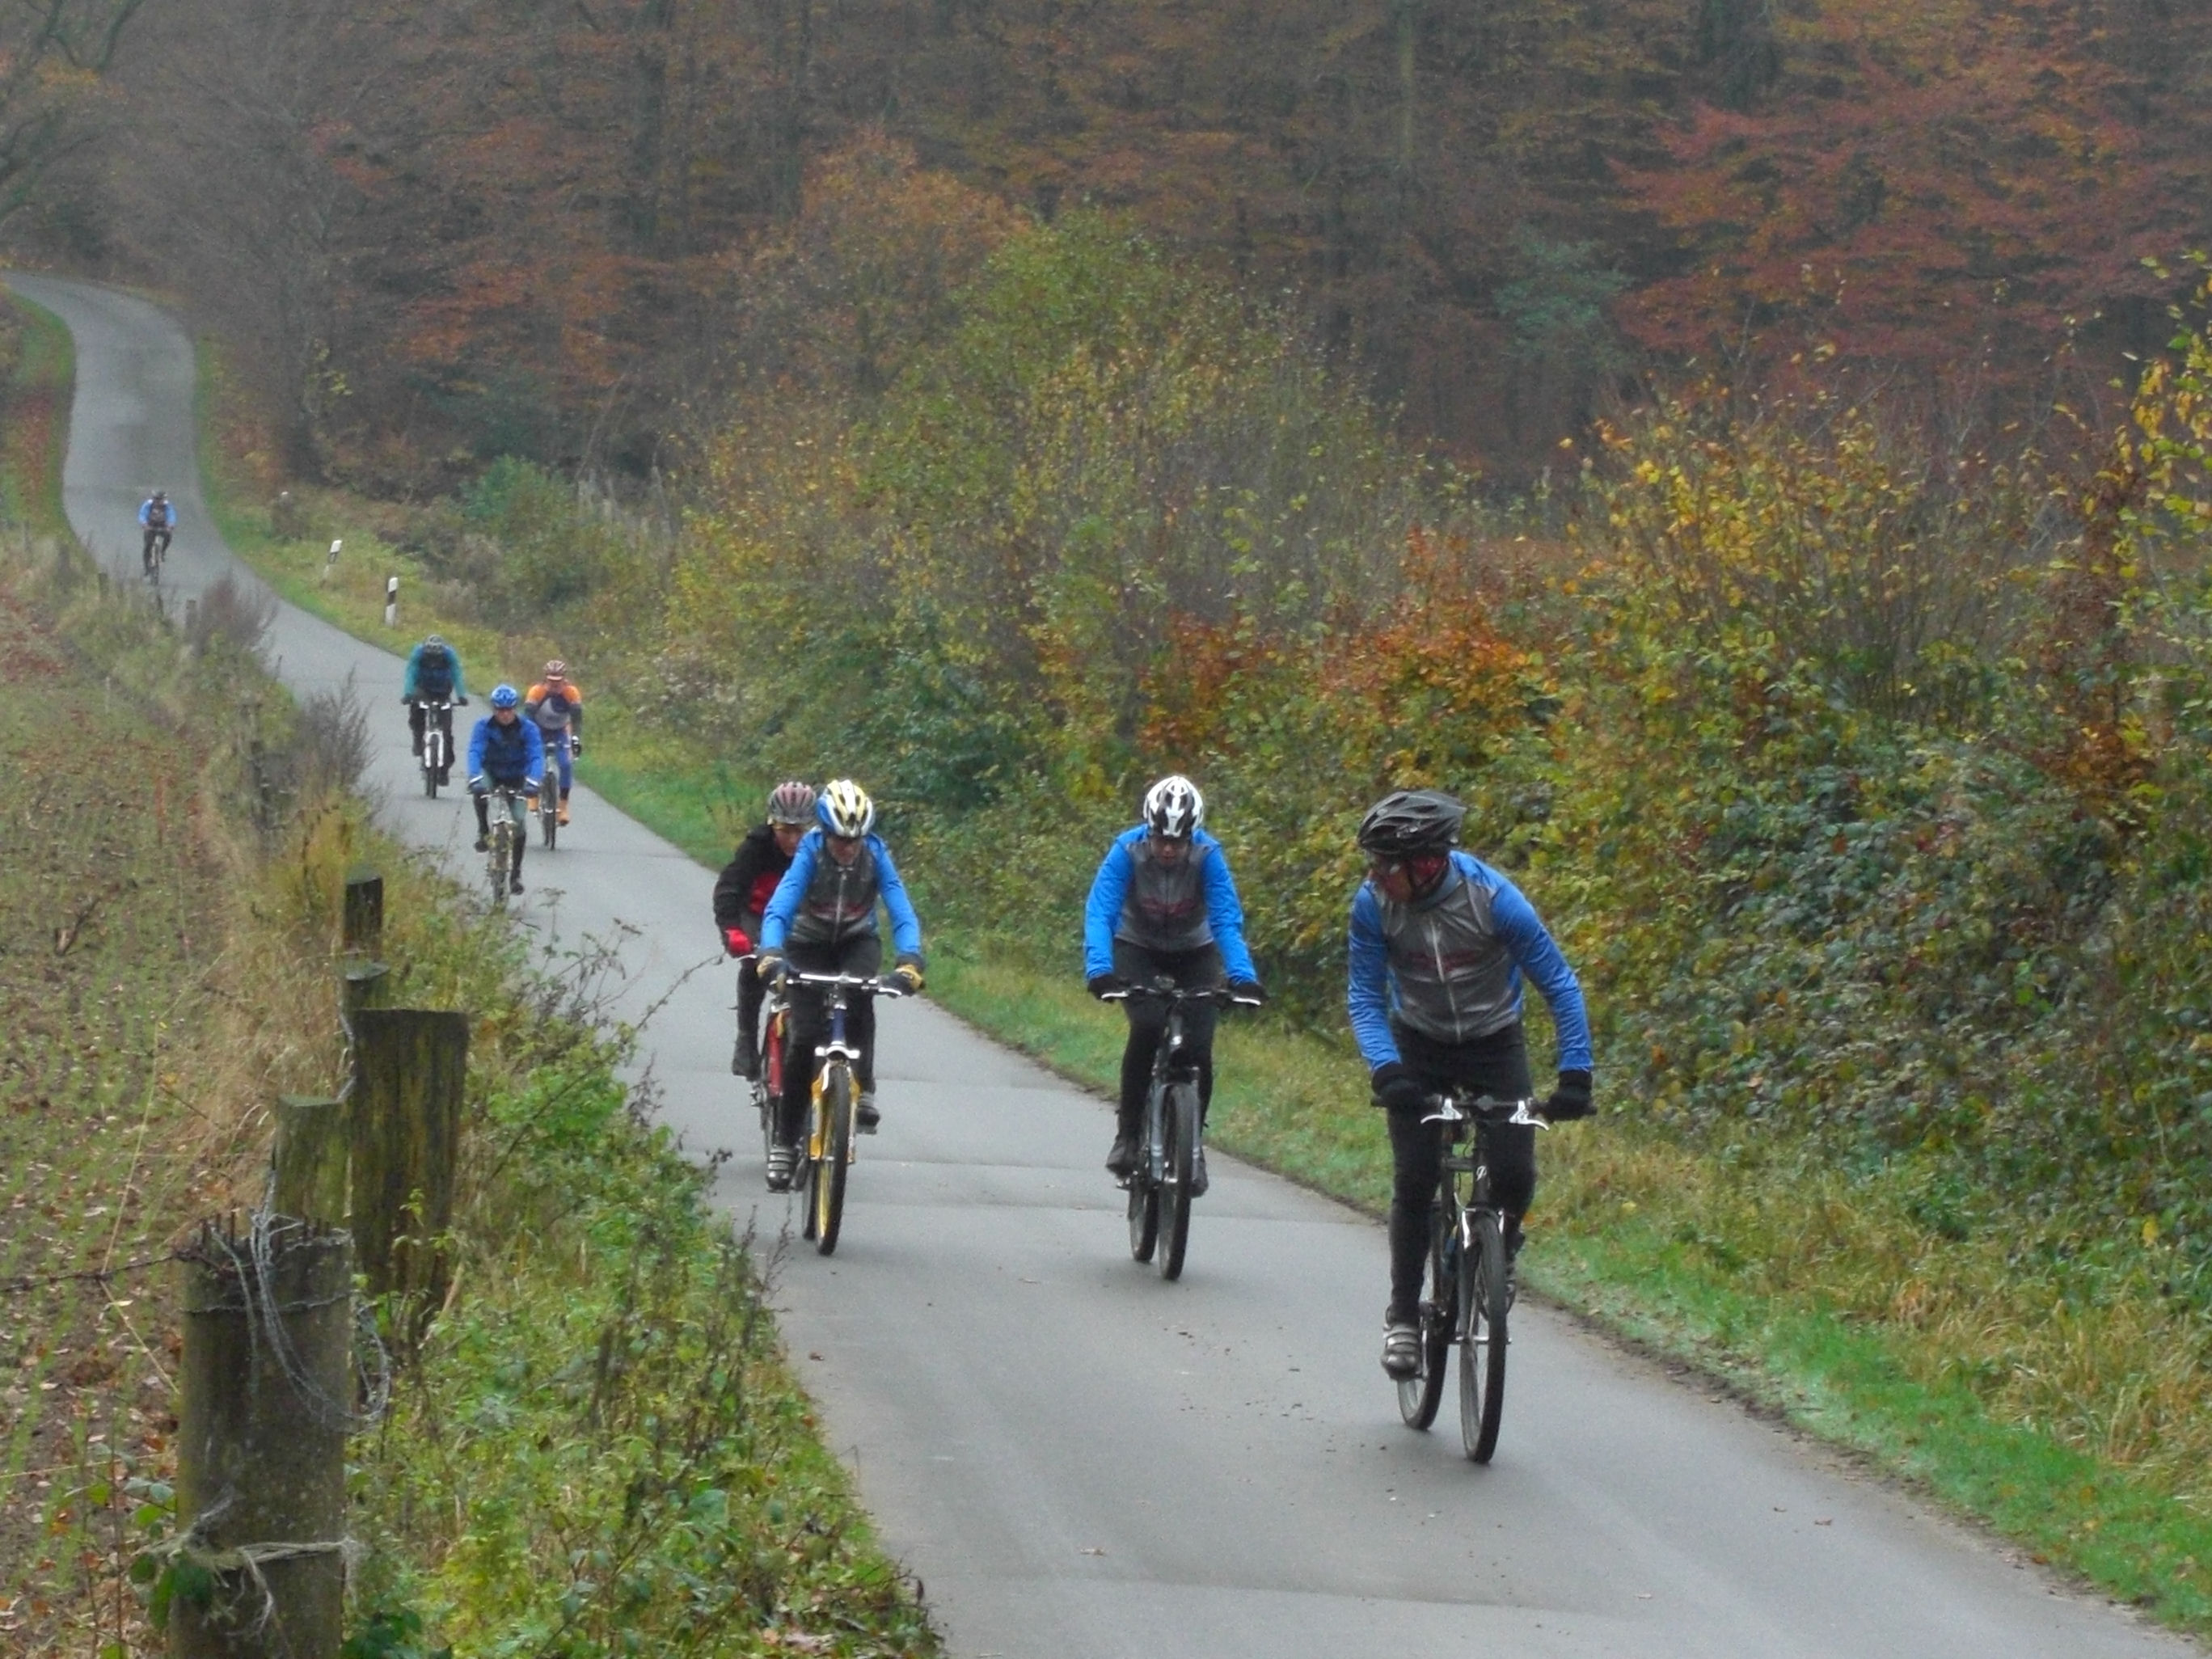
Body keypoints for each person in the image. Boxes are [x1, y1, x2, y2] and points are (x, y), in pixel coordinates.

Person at [1348, 787, 1594, 1382]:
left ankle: (1499, 1248)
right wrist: (1386, 1070)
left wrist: (1575, 1075)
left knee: (1515, 1171)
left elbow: (1560, 984)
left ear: (1426, 862)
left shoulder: (1494, 899)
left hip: (1493, 1041)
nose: (1374, 875)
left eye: (1385, 865)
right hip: (1418, 1041)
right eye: (1373, 863)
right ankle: (1403, 1317)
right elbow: (1365, 995)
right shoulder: (1373, 906)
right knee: (1415, 1178)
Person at [1083, 775, 1264, 1197]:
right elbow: (1101, 912)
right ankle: (1129, 1136)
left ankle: (1192, 1149)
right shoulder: (1126, 850)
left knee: (1199, 1047)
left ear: (1191, 837)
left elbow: (1225, 920)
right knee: (1147, 1026)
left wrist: (1243, 977)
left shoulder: (1208, 855)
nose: (1168, 849)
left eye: (1177, 842)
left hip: (1194, 952)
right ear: (1148, 830)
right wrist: (1100, 970)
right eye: (1161, 840)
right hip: (1136, 947)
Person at [756, 780, 925, 1192]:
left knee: (863, 997)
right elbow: (781, 906)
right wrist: (772, 953)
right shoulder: (810, 852)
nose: (848, 848)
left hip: (855, 940)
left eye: (855, 840)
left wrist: (910, 960)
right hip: (807, 943)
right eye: (840, 839)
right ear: (826, 832)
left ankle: (863, 1087)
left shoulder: (876, 854)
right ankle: (785, 1143)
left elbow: (901, 910)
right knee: (804, 1038)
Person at [713, 780, 817, 1079]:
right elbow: (729, 890)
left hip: (801, 920)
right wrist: (732, 931)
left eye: (800, 831)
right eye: (785, 830)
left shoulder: (819, 851)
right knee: (755, 967)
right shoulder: (755, 848)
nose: (793, 839)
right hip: (757, 915)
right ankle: (746, 1039)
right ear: (773, 824)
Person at [466, 684, 545, 896]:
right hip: (492, 771)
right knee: (480, 791)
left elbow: (536, 756)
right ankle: (483, 831)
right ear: (494, 709)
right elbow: (475, 751)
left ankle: (516, 874)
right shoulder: (482, 726)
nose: (505, 714)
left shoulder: (528, 728)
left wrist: (533, 781)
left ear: (515, 709)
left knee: (518, 822)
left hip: (518, 777)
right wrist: (474, 777)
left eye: (509, 709)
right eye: (500, 710)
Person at [399, 634, 469, 780]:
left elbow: (456, 674)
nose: (434, 661)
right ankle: (418, 740)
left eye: (437, 657)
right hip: (423, 689)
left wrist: (461, 695)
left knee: (447, 731)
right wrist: (408, 694)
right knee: (416, 712)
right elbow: (411, 673)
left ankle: (444, 769)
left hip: (443, 691)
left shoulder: (449, 655)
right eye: (431, 657)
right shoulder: (419, 654)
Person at [523, 661, 584, 827]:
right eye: (551, 681)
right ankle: (533, 795)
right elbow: (527, 718)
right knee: (534, 759)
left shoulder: (571, 693)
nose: (555, 685)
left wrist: (576, 739)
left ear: (564, 679)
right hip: (538, 729)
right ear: (545, 679)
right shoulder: (536, 691)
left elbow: (577, 720)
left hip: (560, 731)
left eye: (558, 681)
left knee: (566, 764)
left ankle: (563, 807)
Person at [138, 492, 174, 573]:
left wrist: (170, 525)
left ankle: (162, 551)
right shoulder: (148, 505)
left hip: (162, 526)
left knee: (168, 535)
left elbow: (171, 515)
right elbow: (142, 514)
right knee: (148, 546)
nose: (159, 502)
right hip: (150, 526)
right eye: (157, 499)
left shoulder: (167, 506)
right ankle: (146, 567)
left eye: (161, 500)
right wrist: (144, 524)